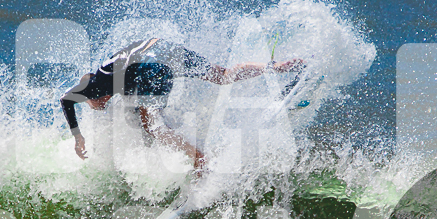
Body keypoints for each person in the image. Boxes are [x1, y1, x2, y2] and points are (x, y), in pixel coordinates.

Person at [61, 38, 304, 172]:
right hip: (164, 48)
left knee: (152, 125)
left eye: (90, 103)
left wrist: (77, 137)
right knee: (222, 75)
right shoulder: (111, 75)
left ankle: (200, 159)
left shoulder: (95, 84)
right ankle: (277, 67)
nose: (95, 107)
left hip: (151, 64)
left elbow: (66, 99)